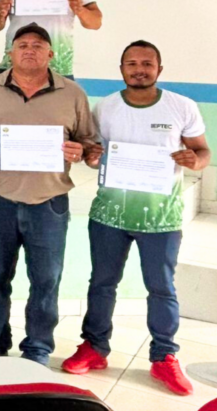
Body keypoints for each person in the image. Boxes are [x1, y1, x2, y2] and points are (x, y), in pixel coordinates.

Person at [61, 41, 210, 396]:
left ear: (159, 69)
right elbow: (94, 155)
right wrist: (92, 157)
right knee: (102, 283)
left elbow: (202, 150)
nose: (139, 69)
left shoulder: (182, 106)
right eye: (132, 63)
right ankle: (94, 347)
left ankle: (164, 357)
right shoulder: (106, 107)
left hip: (161, 218)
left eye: (147, 63)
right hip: (109, 214)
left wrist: (196, 160)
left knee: (161, 288)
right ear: (121, 69)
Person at [0, 23, 96, 365]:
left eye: (38, 45)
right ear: (10, 52)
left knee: (46, 280)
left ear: (51, 53)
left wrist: (80, 150)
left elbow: (88, 142)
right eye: (22, 44)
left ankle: (37, 347)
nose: (29, 50)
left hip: (48, 202)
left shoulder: (72, 94)